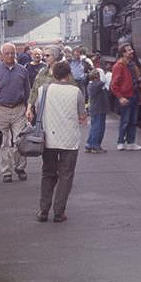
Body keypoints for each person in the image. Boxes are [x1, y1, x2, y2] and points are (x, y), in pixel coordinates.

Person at [35, 61, 87, 223]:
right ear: (69, 74)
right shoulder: (76, 92)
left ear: (53, 74)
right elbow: (82, 117)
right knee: (66, 175)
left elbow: (37, 109)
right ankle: (59, 212)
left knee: (48, 174)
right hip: (69, 140)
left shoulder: (43, 90)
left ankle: (43, 211)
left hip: (48, 139)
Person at [0, 42, 32, 183]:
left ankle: (20, 168)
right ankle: (6, 171)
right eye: (7, 53)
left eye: (12, 53)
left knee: (20, 140)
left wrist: (29, 109)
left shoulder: (22, 70)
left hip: (19, 109)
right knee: (3, 143)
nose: (10, 56)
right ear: (1, 55)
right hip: (1, 109)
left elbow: (28, 91)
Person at [110, 42, 141, 151]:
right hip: (126, 96)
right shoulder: (119, 66)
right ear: (123, 53)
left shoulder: (132, 65)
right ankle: (120, 142)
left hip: (134, 95)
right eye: (129, 50)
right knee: (125, 121)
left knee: (133, 121)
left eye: (131, 49)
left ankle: (131, 142)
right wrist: (120, 97)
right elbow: (114, 85)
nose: (131, 51)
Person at [84, 69, 108, 153]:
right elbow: (103, 82)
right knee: (98, 128)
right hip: (98, 109)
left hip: (97, 109)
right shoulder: (94, 85)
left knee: (94, 127)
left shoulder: (91, 85)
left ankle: (89, 144)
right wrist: (102, 75)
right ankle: (95, 145)